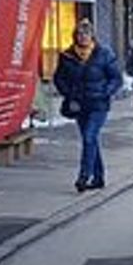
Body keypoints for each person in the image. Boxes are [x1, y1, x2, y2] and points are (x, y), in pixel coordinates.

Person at [53, 19, 123, 192]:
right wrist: (68, 93)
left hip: (98, 103)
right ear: (75, 36)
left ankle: (84, 176)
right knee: (90, 139)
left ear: (92, 36)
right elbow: (59, 78)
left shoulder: (103, 53)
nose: (83, 37)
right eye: (79, 34)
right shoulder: (67, 56)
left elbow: (116, 78)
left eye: (86, 33)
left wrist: (106, 92)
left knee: (89, 137)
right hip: (79, 104)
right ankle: (99, 178)